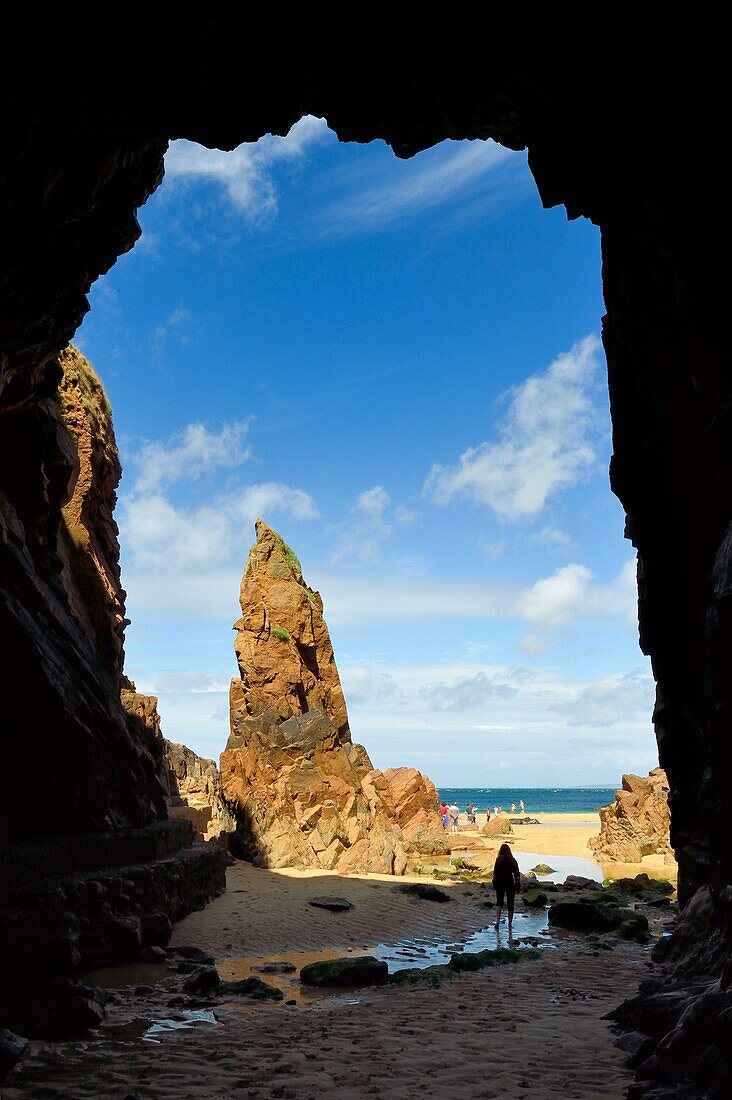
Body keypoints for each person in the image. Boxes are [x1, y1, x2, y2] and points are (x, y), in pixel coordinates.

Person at [493, 842, 521, 931]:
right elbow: (517, 874)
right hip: (509, 882)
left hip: (500, 882)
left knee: (499, 902)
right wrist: (518, 885)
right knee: (510, 904)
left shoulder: (498, 859)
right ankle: (510, 923)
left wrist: (494, 882)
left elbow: (495, 872)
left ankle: (497, 921)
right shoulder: (512, 860)